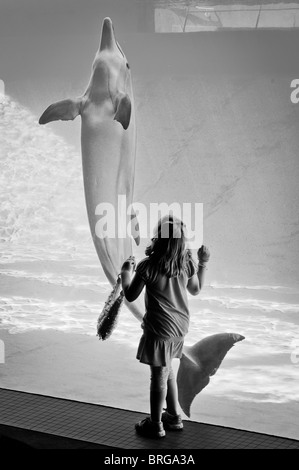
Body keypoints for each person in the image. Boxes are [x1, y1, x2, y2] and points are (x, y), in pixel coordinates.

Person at [121, 215, 210, 438]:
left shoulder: (147, 267)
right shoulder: (186, 264)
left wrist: (125, 274)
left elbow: (130, 295)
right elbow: (196, 290)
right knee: (168, 370)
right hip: (179, 327)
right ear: (182, 242)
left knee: (158, 378)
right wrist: (204, 263)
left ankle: (155, 424)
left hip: (159, 330)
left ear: (157, 239)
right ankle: (173, 415)